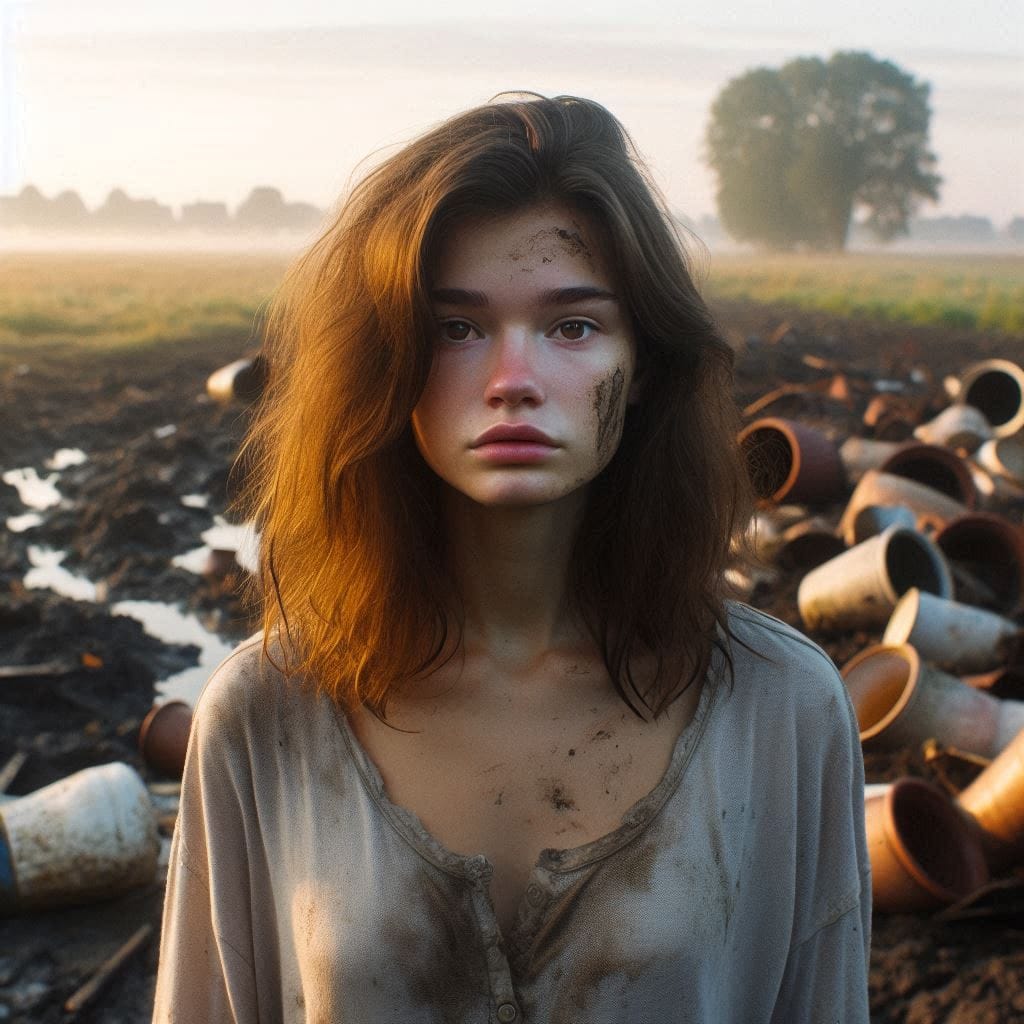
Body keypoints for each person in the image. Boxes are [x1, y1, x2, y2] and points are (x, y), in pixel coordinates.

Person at [152, 94, 870, 1023]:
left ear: (643, 362)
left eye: (572, 326)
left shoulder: (781, 706)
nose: (514, 381)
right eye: (457, 329)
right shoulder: (266, 714)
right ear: (389, 362)